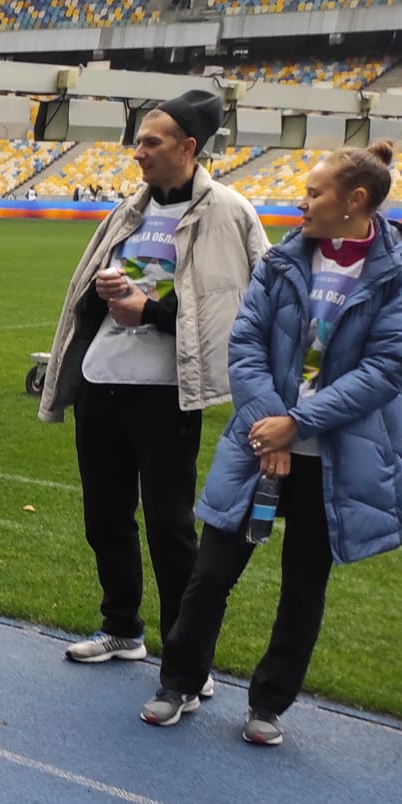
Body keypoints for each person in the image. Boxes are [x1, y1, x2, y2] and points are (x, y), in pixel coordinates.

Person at [140, 142, 402, 746]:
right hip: (259, 447)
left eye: (315, 193)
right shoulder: (284, 260)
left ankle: (269, 705)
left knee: (304, 586)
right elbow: (244, 345)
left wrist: (296, 425)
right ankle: (178, 684)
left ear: (355, 201)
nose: (303, 201)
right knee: (211, 574)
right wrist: (269, 427)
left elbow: (386, 368)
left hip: (334, 461)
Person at [40, 90, 268, 669]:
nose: (137, 151)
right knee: (104, 516)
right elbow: (93, 296)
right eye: (137, 140)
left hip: (168, 393)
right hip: (104, 380)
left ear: (188, 147)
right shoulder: (128, 210)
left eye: (151, 141)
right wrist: (105, 296)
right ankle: (122, 627)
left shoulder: (230, 212)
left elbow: (250, 305)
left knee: (170, 526)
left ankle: (185, 655)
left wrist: (152, 313)